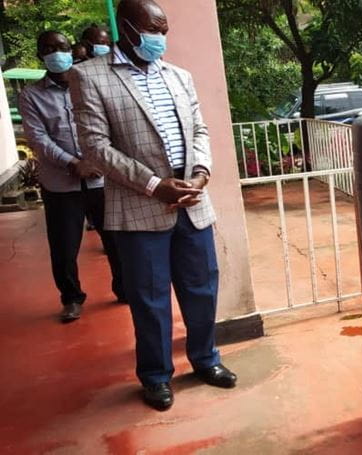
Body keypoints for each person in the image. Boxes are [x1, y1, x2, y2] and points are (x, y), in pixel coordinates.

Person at [68, 0, 237, 411]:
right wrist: (153, 184)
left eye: (164, 30)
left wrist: (200, 174)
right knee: (149, 298)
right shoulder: (88, 76)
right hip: (139, 207)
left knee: (202, 288)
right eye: (152, 30)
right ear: (126, 29)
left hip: (192, 201)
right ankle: (157, 376)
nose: (160, 38)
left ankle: (205, 359)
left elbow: (199, 128)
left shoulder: (178, 75)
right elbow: (96, 146)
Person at [19, 30, 126, 323]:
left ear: (72, 49)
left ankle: (125, 289)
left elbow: (110, 124)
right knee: (64, 247)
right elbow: (38, 138)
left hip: (101, 179)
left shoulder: (90, 84)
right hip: (61, 184)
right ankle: (71, 298)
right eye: (49, 48)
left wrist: (100, 160)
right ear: (41, 55)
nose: (57, 53)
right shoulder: (31, 96)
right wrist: (72, 163)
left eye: (62, 47)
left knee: (116, 237)